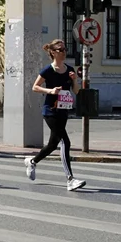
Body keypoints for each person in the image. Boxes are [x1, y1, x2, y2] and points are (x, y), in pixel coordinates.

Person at [24, 39, 86, 191]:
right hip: (50, 110)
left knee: (53, 144)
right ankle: (70, 179)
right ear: (53, 52)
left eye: (65, 49)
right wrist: (50, 91)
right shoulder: (48, 70)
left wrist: (75, 80)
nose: (64, 52)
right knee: (65, 142)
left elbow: (76, 91)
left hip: (63, 110)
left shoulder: (69, 69)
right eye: (60, 50)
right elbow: (35, 87)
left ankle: (32, 161)